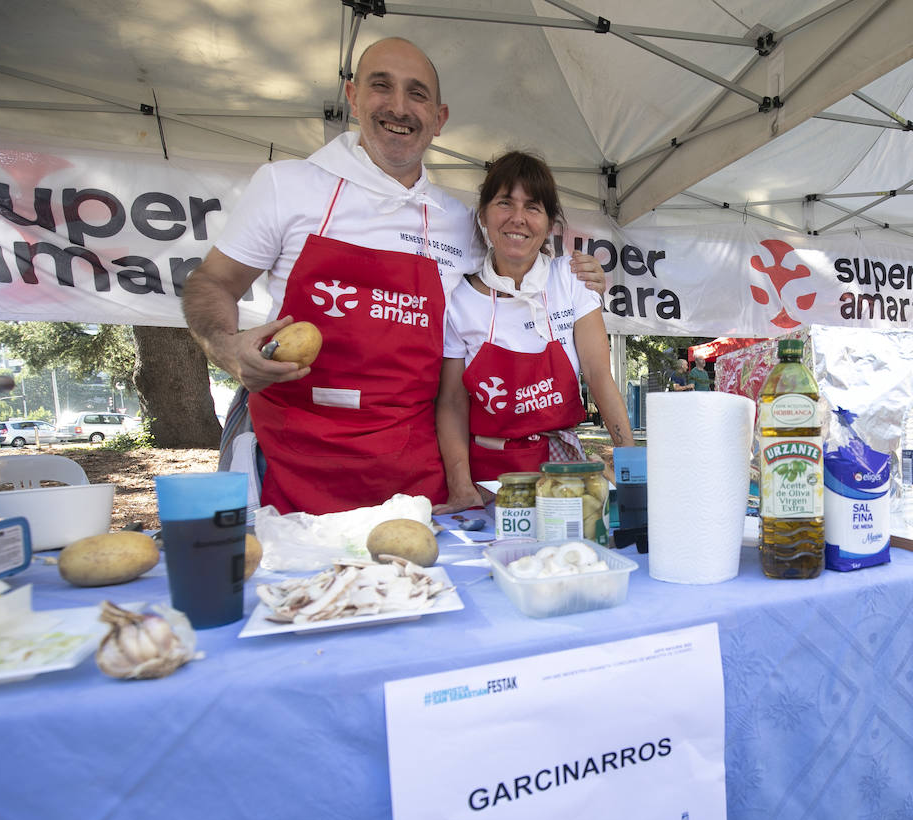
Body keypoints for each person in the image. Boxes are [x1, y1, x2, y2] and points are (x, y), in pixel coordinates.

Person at [181, 38, 604, 515]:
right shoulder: (288, 184)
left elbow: (522, 269)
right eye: (381, 87)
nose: (399, 107)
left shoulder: (458, 219)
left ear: (440, 118)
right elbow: (212, 282)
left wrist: (581, 275)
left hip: (411, 467)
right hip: (295, 456)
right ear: (353, 97)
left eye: (417, 94)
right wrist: (224, 344)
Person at [434, 151, 635, 511]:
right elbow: (451, 402)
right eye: (504, 203)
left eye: (533, 207)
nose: (518, 219)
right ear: (483, 213)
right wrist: (460, 486)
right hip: (488, 477)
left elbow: (599, 375)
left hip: (561, 472)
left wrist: (631, 465)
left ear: (549, 222)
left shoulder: (572, 279)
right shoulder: (459, 299)